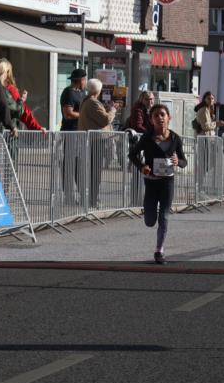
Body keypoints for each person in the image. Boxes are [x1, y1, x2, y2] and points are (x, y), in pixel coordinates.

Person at [128, 104, 188, 265]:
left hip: (167, 182)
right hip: (151, 183)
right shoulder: (147, 138)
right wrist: (142, 167)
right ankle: (149, 213)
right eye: (156, 116)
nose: (160, 118)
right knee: (150, 221)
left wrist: (178, 161)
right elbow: (132, 154)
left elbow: (184, 161)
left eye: (162, 115)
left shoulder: (175, 138)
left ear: (169, 118)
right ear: (151, 120)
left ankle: (159, 251)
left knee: (164, 217)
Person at [79, 78, 116, 209]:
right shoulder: (92, 102)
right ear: (98, 90)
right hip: (95, 141)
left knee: (94, 172)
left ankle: (92, 199)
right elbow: (105, 120)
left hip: (92, 140)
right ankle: (93, 201)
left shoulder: (87, 101)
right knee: (95, 173)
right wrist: (112, 110)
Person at [0, 58, 46, 132]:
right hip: (7, 133)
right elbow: (23, 112)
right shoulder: (10, 89)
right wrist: (37, 127)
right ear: (8, 72)